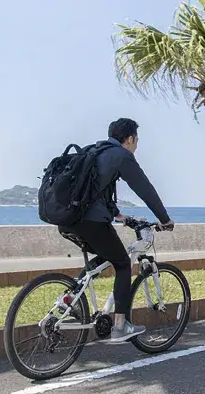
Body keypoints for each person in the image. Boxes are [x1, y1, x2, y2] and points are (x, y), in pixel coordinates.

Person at [58, 118, 174, 343]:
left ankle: (68, 299)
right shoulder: (122, 156)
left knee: (106, 254)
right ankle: (120, 326)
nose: (137, 146)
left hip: (67, 220)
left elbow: (96, 192)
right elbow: (145, 190)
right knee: (122, 263)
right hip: (90, 222)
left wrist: (119, 215)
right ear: (129, 139)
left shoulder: (95, 151)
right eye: (137, 141)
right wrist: (165, 219)